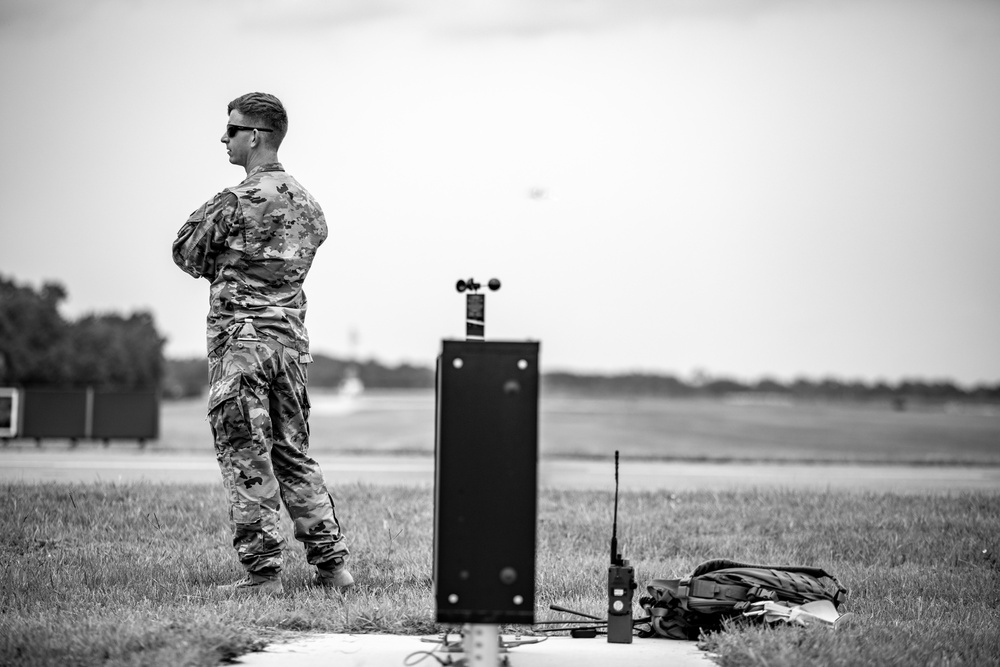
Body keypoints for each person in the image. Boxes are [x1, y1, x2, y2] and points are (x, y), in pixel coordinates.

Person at [172, 92, 352, 595]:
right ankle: (333, 567)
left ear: (255, 135)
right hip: (290, 347)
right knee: (293, 454)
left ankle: (262, 573)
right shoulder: (309, 205)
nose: (224, 138)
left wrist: (229, 265)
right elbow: (305, 251)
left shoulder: (233, 202)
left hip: (242, 347)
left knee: (245, 453)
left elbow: (185, 253)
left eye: (230, 130)